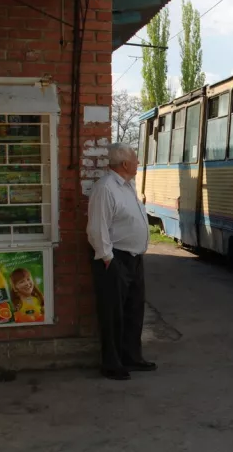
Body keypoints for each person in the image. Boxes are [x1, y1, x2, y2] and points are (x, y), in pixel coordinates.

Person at [86, 143, 155, 381]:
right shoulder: (106, 188)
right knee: (113, 313)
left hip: (134, 259)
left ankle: (131, 357)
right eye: (135, 159)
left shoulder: (127, 186)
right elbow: (97, 228)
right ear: (125, 163)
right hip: (115, 259)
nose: (138, 162)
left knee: (134, 311)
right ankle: (111, 364)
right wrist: (107, 258)